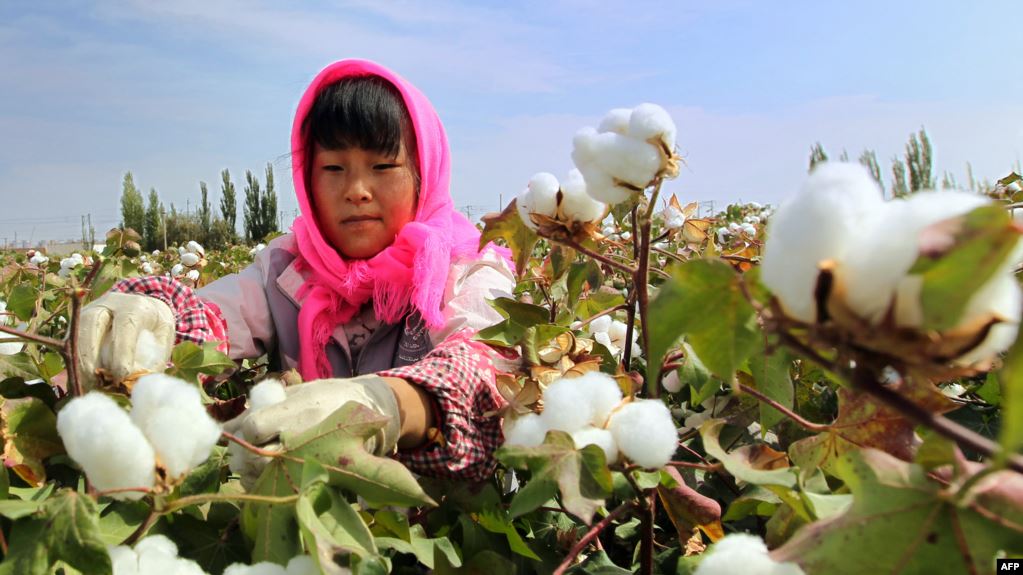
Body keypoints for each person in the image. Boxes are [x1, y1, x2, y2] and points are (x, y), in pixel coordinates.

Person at [76, 59, 516, 487]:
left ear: (424, 173)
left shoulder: (471, 269)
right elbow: (213, 320)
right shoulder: (287, 271)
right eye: (333, 168)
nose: (357, 191)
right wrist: (157, 320)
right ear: (307, 179)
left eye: (383, 167)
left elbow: (485, 375)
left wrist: (389, 404)